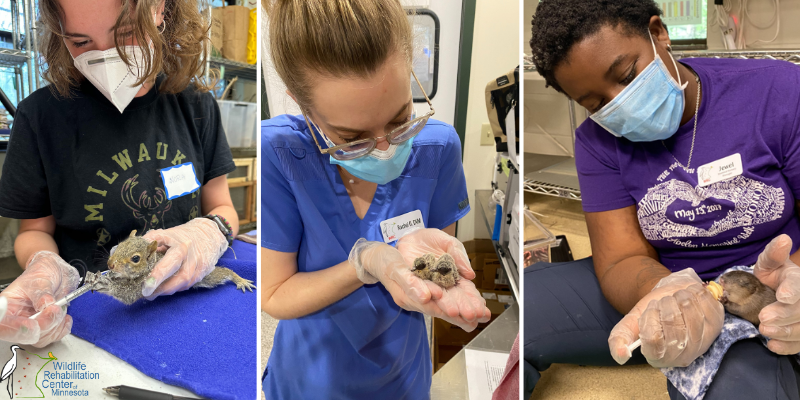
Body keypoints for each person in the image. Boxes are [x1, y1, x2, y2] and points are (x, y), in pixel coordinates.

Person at [526, 0, 800, 399]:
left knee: (737, 385)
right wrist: (666, 298)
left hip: (768, 282)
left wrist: (792, 282)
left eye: (626, 74)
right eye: (595, 104)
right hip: (667, 278)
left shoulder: (777, 89)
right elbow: (620, 260)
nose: (618, 102)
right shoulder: (596, 142)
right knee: (527, 305)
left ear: (658, 33)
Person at [260, 0, 491, 397]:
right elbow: (275, 294)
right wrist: (366, 262)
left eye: (401, 119)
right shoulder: (280, 156)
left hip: (402, 377)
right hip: (308, 380)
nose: (385, 149)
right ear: (303, 109)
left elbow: (434, 269)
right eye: (353, 138)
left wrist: (433, 284)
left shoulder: (438, 150)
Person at [0, 0, 238, 348]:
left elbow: (223, 208)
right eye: (80, 42)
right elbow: (33, 231)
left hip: (187, 305)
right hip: (95, 313)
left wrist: (209, 231)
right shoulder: (40, 117)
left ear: (161, 10)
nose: (106, 58)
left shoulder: (195, 104)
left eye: (126, 34)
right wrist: (44, 266)